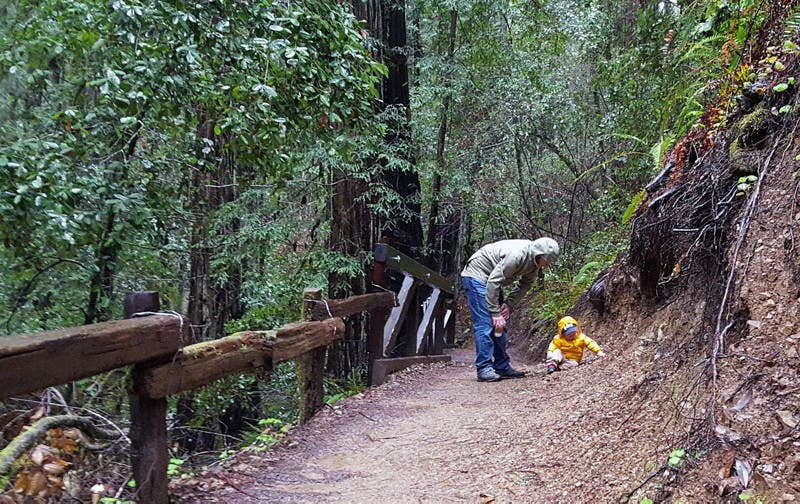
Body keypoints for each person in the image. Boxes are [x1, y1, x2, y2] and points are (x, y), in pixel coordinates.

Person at [461, 238, 560, 382]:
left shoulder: (534, 265)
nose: (549, 264)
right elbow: (494, 281)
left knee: (500, 325)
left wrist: (508, 304)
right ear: (539, 255)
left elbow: (525, 285)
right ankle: (484, 368)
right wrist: (495, 313)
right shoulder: (517, 256)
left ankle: (501, 366)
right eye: (548, 260)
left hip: (492, 281)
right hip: (478, 276)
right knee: (486, 324)